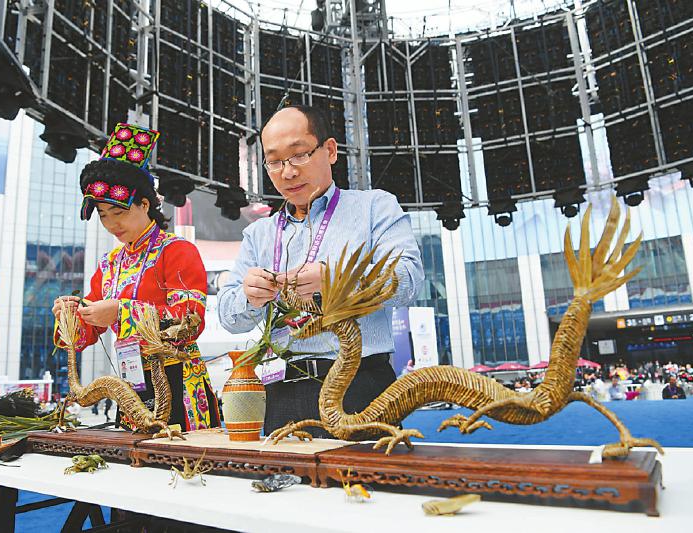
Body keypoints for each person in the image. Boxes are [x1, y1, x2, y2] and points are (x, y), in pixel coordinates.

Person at [217, 105, 424, 437]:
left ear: (329, 150)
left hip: (358, 385)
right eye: (274, 162)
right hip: (280, 388)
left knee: (364, 471)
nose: (287, 172)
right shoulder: (259, 234)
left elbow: (409, 279)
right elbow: (229, 317)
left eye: (299, 155)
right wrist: (249, 296)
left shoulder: (374, 207)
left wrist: (337, 280)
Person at [52, 123, 220, 432]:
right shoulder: (109, 264)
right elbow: (85, 335)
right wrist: (72, 317)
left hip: (177, 377)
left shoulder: (177, 250)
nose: (111, 224)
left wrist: (121, 312)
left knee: (184, 457)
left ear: (145, 204)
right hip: (130, 384)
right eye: (103, 215)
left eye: (119, 212)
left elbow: (190, 321)